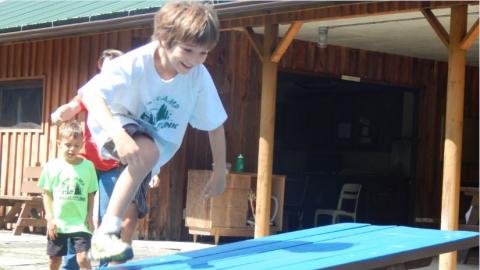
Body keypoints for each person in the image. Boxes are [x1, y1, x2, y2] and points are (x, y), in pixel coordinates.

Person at [80, 1, 228, 261]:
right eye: (188, 50)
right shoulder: (134, 63)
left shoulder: (198, 76)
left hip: (156, 142)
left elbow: (215, 125)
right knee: (145, 153)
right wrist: (118, 134)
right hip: (114, 118)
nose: (194, 60)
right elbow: (91, 96)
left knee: (144, 168)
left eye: (203, 53)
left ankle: (110, 238)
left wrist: (219, 172)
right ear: (163, 39)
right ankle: (105, 232)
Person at [51, 49, 158, 268]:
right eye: (107, 66)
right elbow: (74, 106)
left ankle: (103, 265)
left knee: (108, 218)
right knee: (78, 215)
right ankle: (71, 265)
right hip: (87, 163)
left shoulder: (129, 91)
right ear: (100, 67)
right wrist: (62, 112)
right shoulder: (95, 87)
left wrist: (155, 169)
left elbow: (150, 131)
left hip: (113, 165)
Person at [38, 120, 98, 270]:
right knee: (54, 260)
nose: (72, 149)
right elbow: (47, 194)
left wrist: (90, 216)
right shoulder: (51, 167)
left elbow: (91, 193)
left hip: (80, 222)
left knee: (83, 258)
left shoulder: (88, 167)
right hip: (59, 223)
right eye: (68, 145)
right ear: (59, 143)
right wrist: (50, 219)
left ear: (82, 144)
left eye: (76, 146)